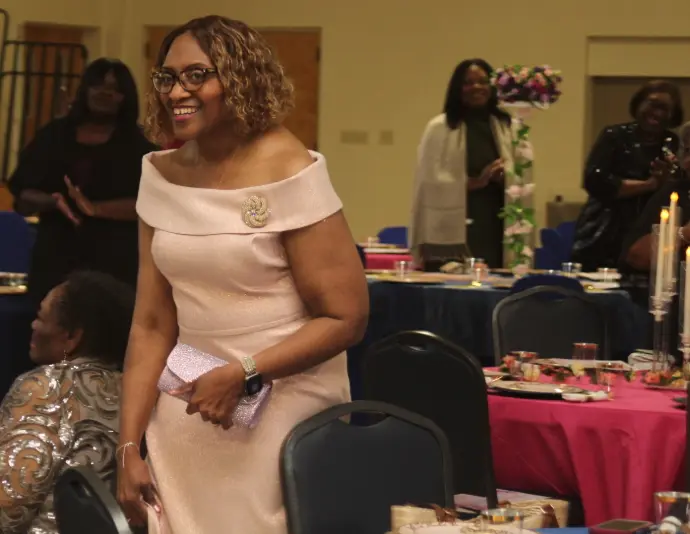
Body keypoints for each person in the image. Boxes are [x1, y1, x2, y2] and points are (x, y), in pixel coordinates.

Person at [116, 16, 368, 534]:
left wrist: (245, 372)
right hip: (190, 399)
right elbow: (151, 324)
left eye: (197, 75)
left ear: (240, 78)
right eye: (167, 78)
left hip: (285, 395)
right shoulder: (160, 175)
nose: (177, 92)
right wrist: (127, 446)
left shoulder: (289, 167)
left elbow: (346, 317)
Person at [9, 58, 159, 305]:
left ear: (126, 97)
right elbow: (22, 194)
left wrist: (95, 209)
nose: (105, 93)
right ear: (85, 89)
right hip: (55, 256)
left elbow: (153, 205)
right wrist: (53, 201)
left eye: (115, 89)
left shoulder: (140, 146)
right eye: (98, 85)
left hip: (115, 262)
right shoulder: (53, 136)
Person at [0, 271, 135, 534]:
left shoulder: (46, 387)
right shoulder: (135, 393)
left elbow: (9, 506)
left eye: (41, 317)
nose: (33, 326)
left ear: (72, 337)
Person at [410, 58, 517, 269]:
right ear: (457, 88)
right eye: (468, 82)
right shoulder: (439, 127)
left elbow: (523, 174)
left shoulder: (507, 126)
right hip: (453, 222)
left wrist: (507, 175)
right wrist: (477, 181)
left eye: (483, 82)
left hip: (495, 218)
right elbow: (429, 183)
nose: (476, 87)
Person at [571, 80, 683, 271]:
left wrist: (667, 180)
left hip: (647, 228)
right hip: (606, 227)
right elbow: (595, 181)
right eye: (652, 104)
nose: (656, 113)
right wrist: (649, 185)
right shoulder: (614, 135)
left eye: (664, 108)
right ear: (639, 104)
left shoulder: (672, 142)